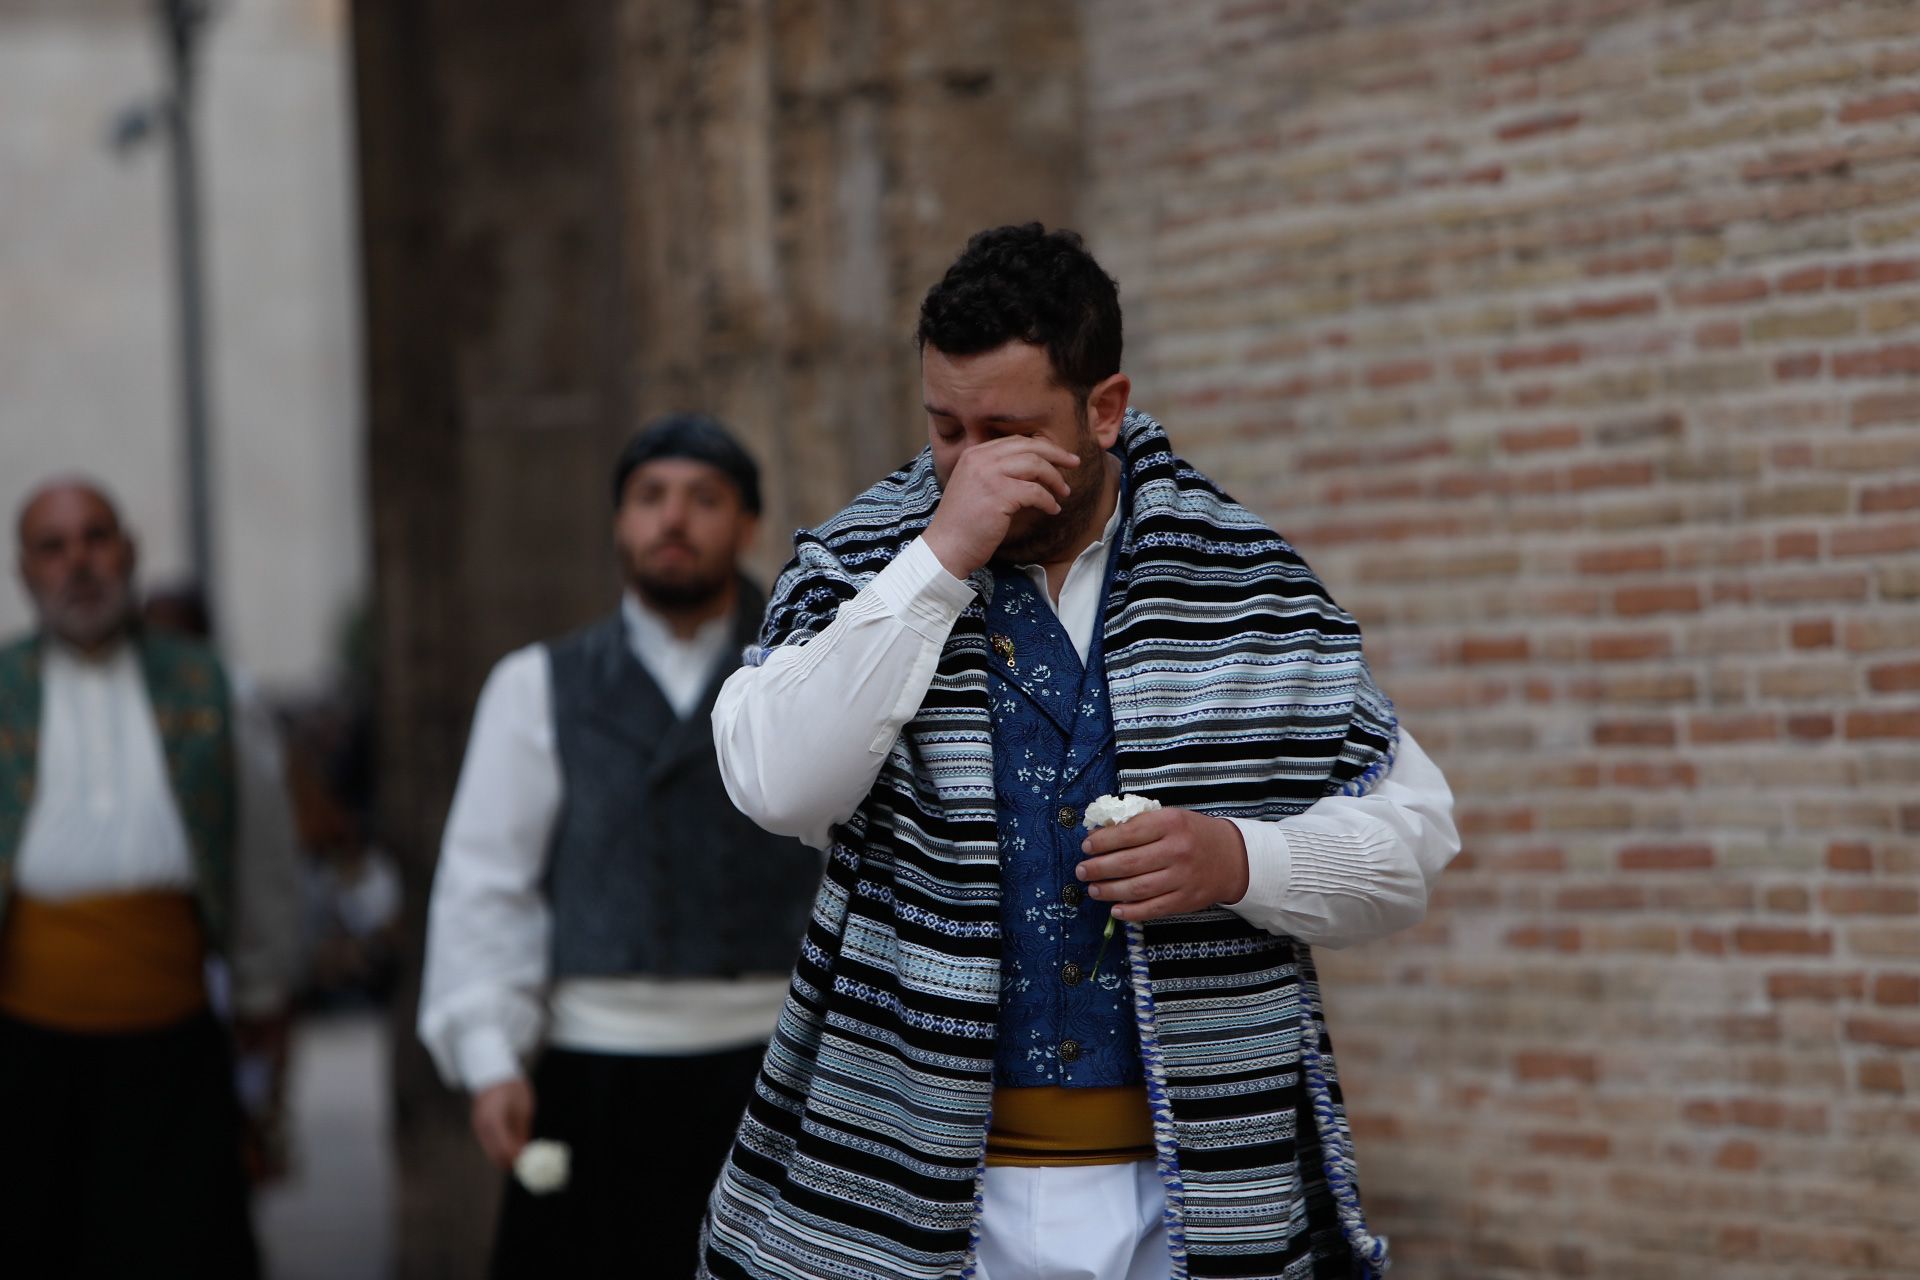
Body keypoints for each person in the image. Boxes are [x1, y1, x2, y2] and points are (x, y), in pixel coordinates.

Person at [703, 224, 1460, 1280]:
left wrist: (1242, 860)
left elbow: (1414, 840)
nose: (972, 463)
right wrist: (939, 558)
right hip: (908, 1199)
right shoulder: (867, 563)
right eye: (947, 429)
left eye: (1008, 429)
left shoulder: (1245, 582)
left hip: (1191, 1202)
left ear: (1105, 409)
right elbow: (774, 778)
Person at [417, 414, 822, 1276]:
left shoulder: (804, 675)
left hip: (778, 1072)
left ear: (748, 526)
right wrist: (489, 1056)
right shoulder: (536, 686)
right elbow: (487, 881)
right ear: (619, 522)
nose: (673, 520)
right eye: (650, 498)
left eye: (703, 499)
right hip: (594, 1076)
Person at [0, 480, 304, 1278]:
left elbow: (264, 855)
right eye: (53, 547)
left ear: (129, 551)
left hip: (172, 1049)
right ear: (23, 570)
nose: (79, 564)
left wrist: (266, 991)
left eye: (95, 538)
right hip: (25, 1053)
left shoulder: (209, 687)